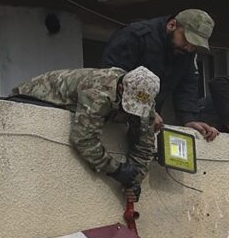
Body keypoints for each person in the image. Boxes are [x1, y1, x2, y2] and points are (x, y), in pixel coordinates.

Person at [12, 66, 160, 201]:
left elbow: (144, 146)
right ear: (121, 88)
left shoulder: (144, 99)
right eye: (130, 104)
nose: (133, 111)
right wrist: (116, 169)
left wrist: (134, 180)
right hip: (36, 96)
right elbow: (83, 138)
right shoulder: (97, 90)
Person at [101, 9, 220, 140]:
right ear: (172, 25)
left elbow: (186, 85)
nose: (189, 48)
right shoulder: (136, 34)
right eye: (187, 39)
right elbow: (114, 76)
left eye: (195, 45)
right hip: (109, 115)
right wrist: (148, 110)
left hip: (146, 122)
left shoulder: (186, 52)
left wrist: (189, 119)